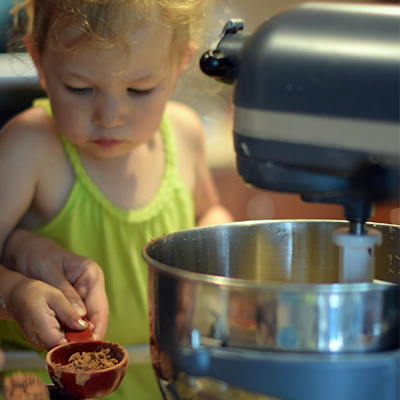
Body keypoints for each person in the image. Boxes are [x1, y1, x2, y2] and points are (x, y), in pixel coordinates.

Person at [0, 0, 233, 398]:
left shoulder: (183, 133)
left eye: (140, 90)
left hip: (161, 385)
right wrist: (15, 293)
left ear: (180, 63)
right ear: (39, 60)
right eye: (80, 88)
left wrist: (219, 264)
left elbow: (208, 211)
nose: (109, 115)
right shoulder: (30, 148)